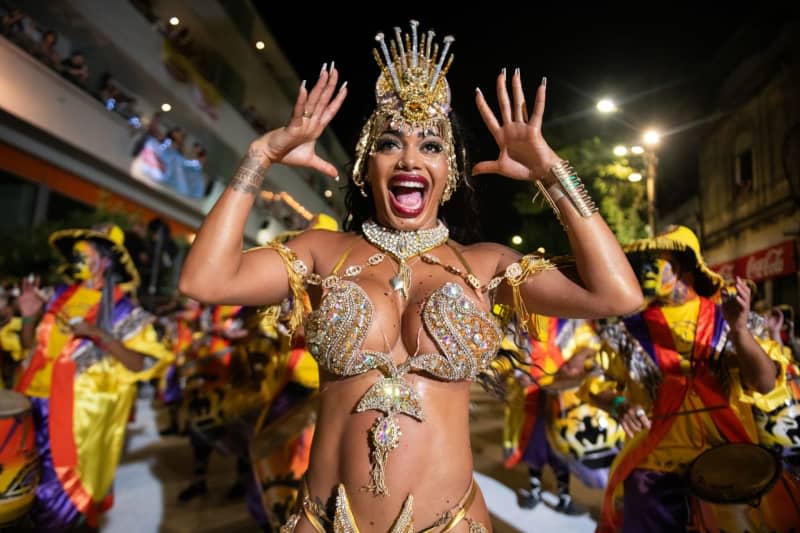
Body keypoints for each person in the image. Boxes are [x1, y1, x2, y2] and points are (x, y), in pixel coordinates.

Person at [180, 20, 642, 531]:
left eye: (431, 146)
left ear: (449, 175)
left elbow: (616, 294)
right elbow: (205, 281)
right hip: (323, 520)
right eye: (389, 143)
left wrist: (551, 172)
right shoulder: (321, 253)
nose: (409, 159)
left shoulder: (484, 266)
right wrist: (259, 157)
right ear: (363, 166)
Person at [585, 225, 796, 532]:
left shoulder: (734, 317)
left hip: (731, 456)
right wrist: (617, 403)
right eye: (643, 261)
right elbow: (595, 385)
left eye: (655, 260)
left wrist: (739, 331)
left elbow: (766, 384)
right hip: (654, 464)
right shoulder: (625, 331)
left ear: (683, 264)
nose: (644, 269)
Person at [16, 224, 173, 531]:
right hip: (30, 401)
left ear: (105, 261)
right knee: (18, 483)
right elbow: (28, 348)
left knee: (55, 496)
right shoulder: (58, 296)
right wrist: (26, 316)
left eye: (84, 253)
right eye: (76, 253)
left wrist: (99, 335)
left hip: (76, 418)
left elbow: (142, 363)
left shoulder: (124, 311)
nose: (77, 258)